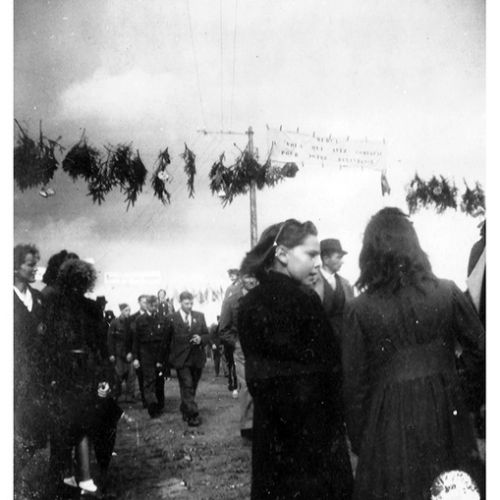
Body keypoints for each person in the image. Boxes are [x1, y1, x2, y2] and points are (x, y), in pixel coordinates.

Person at [342, 207, 485, 500]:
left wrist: (361, 440)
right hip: (447, 412)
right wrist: (463, 395)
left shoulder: (359, 308)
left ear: (369, 254)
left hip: (388, 421)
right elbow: (481, 350)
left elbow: (354, 384)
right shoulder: (447, 292)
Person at [238, 219, 353, 500]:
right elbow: (330, 370)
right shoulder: (306, 300)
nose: (316, 263)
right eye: (311, 254)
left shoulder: (248, 304)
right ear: (282, 254)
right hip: (313, 431)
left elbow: (255, 374)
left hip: (272, 429)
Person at [44, 258, 118, 496]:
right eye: (75, 282)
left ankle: (82, 476)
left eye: (82, 282)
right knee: (68, 424)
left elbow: (101, 346)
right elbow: (48, 342)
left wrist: (105, 376)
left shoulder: (90, 308)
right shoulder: (55, 305)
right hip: (64, 370)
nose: (79, 287)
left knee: (83, 422)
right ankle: (69, 475)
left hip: (85, 370)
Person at [13, 244, 48, 480]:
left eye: (36, 264)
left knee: (36, 434)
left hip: (36, 375)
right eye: (30, 264)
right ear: (15, 267)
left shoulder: (38, 298)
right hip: (14, 374)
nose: (35, 269)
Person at [219, 270, 258, 441]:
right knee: (247, 386)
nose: (252, 280)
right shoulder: (231, 300)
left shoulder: (264, 296)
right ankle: (248, 426)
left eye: (254, 277)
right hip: (242, 350)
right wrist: (237, 344)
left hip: (263, 349)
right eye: (248, 277)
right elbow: (223, 329)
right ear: (242, 278)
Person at [165, 291, 209, 427]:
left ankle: (185, 408)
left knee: (192, 386)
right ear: (180, 303)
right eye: (186, 303)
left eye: (191, 303)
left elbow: (207, 334)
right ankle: (192, 415)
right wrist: (166, 360)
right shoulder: (171, 318)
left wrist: (201, 339)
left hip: (197, 358)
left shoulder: (200, 316)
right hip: (181, 359)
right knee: (187, 384)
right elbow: (166, 340)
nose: (189, 306)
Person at [131, 295, 168, 418]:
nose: (153, 307)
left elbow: (165, 340)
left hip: (159, 354)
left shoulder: (162, 319)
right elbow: (135, 340)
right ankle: (152, 408)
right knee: (149, 381)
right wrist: (135, 358)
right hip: (145, 355)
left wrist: (163, 357)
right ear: (147, 305)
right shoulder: (139, 320)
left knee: (160, 381)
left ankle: (160, 405)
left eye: (155, 305)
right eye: (151, 305)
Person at [313, 238, 354, 341]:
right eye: (338, 257)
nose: (342, 262)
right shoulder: (311, 280)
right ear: (326, 259)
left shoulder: (346, 284)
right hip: (318, 338)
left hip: (342, 340)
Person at [108, 303, 136, 402]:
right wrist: (111, 354)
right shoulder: (114, 323)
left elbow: (134, 339)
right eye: (126, 310)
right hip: (118, 353)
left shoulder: (132, 323)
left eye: (129, 310)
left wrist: (132, 352)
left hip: (129, 353)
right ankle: (117, 395)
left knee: (131, 375)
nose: (128, 312)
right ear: (121, 311)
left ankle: (130, 396)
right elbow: (110, 340)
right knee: (118, 375)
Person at [130, 294, 149, 407]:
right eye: (143, 302)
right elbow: (130, 337)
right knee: (141, 377)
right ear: (139, 303)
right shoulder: (133, 318)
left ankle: (152, 399)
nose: (146, 304)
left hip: (150, 353)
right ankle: (145, 400)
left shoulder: (153, 316)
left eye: (147, 302)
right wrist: (133, 355)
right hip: (139, 352)